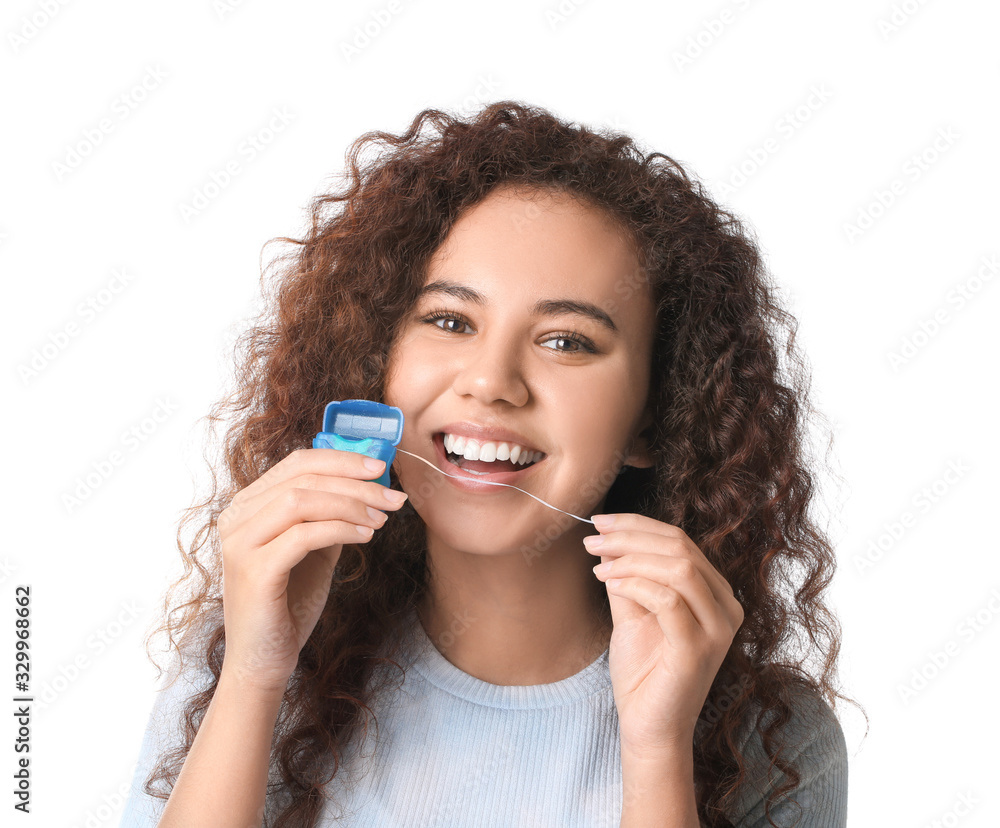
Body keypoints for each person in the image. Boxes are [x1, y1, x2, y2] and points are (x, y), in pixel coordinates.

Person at [119, 101, 857, 828]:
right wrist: (254, 674)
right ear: (380, 367)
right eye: (449, 321)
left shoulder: (774, 739)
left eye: (567, 340)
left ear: (655, 416)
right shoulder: (251, 648)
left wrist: (657, 748)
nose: (490, 380)